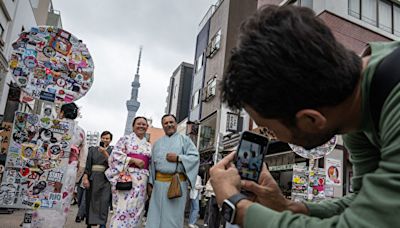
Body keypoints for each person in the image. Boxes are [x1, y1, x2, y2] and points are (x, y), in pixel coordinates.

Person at [210, 4, 400, 228]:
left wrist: (236, 207)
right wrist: (288, 207)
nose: (272, 136)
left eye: (270, 130)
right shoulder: (353, 109)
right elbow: (362, 202)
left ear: (311, 120)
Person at [31, 102, 88, 227]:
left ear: (61, 112)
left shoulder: (51, 126)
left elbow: (38, 148)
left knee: (44, 195)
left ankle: (39, 224)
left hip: (49, 167)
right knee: (62, 200)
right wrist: (76, 177)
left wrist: (38, 165)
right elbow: (83, 160)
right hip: (69, 169)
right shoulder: (80, 131)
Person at [146, 114, 199, 228]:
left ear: (176, 124)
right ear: (162, 126)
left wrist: (179, 158)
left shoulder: (185, 140)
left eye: (171, 122)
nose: (169, 125)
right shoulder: (157, 144)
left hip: (177, 184)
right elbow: (151, 166)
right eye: (166, 123)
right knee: (155, 216)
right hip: (158, 184)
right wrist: (150, 183)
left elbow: (195, 157)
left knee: (173, 218)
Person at [105, 117, 151, 228]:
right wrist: (132, 160)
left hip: (142, 181)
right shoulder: (125, 140)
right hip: (127, 178)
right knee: (122, 207)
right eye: (138, 124)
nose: (141, 126)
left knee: (138, 209)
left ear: (147, 127)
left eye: (144, 124)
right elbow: (114, 156)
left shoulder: (148, 145)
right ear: (133, 126)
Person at [79, 131, 113, 227]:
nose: (105, 140)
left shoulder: (113, 151)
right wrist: (85, 177)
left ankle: (102, 224)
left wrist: (105, 153)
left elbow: (114, 164)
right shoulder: (93, 149)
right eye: (103, 138)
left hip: (106, 179)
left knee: (104, 202)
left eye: (107, 138)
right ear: (100, 138)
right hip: (93, 177)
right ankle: (89, 223)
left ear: (110, 140)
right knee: (91, 201)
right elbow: (88, 164)